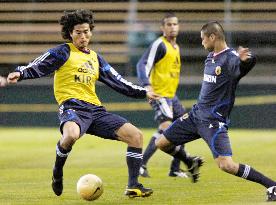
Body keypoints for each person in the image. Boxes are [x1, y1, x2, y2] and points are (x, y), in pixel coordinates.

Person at [5, 9, 160, 198]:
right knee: (71, 135)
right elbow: (40, 64)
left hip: (95, 110)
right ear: (71, 33)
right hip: (72, 107)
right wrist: (21, 73)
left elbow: (118, 81)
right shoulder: (63, 52)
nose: (83, 36)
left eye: (86, 32)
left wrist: (144, 92)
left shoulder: (95, 59)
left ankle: (133, 186)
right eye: (78, 32)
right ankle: (57, 172)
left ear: (91, 32)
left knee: (136, 136)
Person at [155, 21, 276, 201]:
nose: (202, 42)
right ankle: (190, 162)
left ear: (212, 37)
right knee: (162, 143)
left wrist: (246, 61)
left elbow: (244, 65)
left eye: (203, 38)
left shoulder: (231, 58)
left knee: (226, 165)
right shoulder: (211, 56)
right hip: (195, 115)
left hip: (213, 121)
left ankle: (272, 185)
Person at [136, 12, 203, 180]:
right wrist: (147, 86)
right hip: (159, 94)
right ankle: (141, 164)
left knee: (184, 125)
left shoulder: (176, 47)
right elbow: (142, 64)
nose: (172, 27)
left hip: (172, 96)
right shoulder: (160, 44)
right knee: (167, 128)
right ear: (162, 28)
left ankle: (174, 169)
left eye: (175, 24)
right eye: (169, 24)